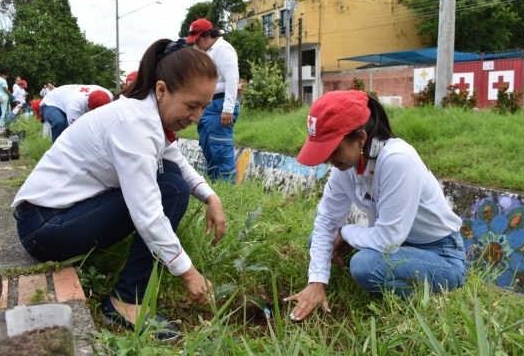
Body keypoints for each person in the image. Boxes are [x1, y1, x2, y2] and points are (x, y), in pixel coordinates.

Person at [11, 38, 226, 340]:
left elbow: (174, 158)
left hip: (53, 217)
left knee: (173, 177)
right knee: (172, 189)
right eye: (192, 105)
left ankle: (128, 295)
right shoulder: (133, 124)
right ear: (161, 90)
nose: (197, 117)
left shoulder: (144, 115)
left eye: (204, 106)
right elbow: (148, 213)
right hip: (44, 227)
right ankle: (126, 301)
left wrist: (210, 197)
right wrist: (188, 273)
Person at [285, 90, 467, 321]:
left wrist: (346, 232)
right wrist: (317, 281)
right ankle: (377, 275)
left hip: (440, 253)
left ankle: (437, 291)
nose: (328, 160)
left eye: (333, 151)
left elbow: (387, 240)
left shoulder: (397, 160)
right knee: (318, 240)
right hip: (397, 247)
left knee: (365, 266)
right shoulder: (345, 167)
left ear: (361, 138)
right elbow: (326, 223)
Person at [186, 18, 240, 184]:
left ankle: (228, 194)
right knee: (209, 150)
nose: (196, 44)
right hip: (209, 106)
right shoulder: (208, 52)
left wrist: (228, 109)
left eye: (198, 40)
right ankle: (216, 188)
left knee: (221, 152)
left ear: (208, 35)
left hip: (220, 105)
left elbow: (232, 79)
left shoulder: (222, 50)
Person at [40, 84, 113, 142]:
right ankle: (57, 154)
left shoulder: (109, 96)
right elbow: (77, 133)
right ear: (88, 106)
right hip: (51, 103)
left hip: (65, 99)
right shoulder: (75, 107)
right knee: (60, 123)